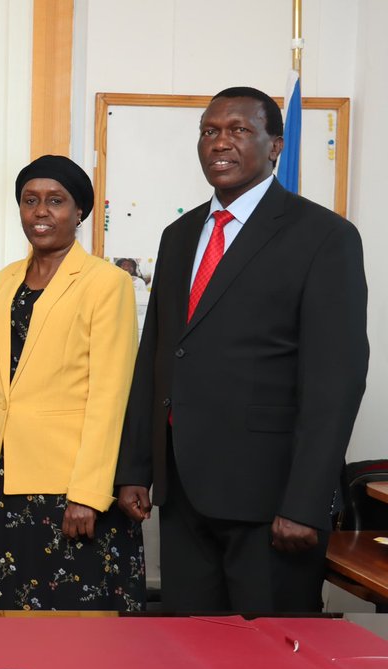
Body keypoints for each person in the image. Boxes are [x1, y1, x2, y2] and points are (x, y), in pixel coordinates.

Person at [116, 87, 368, 612]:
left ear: (275, 145)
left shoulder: (324, 236)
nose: (219, 142)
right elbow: (158, 358)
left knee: (267, 655)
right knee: (188, 651)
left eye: (239, 130)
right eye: (210, 131)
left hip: (271, 500)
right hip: (183, 494)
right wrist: (136, 467)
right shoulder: (179, 236)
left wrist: (305, 502)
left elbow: (336, 381)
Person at [0, 155, 144, 611]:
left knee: (71, 630)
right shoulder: (3, 282)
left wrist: (89, 494)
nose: (41, 211)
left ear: (79, 212)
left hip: (68, 488)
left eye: (55, 201)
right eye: (30, 200)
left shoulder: (106, 282)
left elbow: (110, 395)